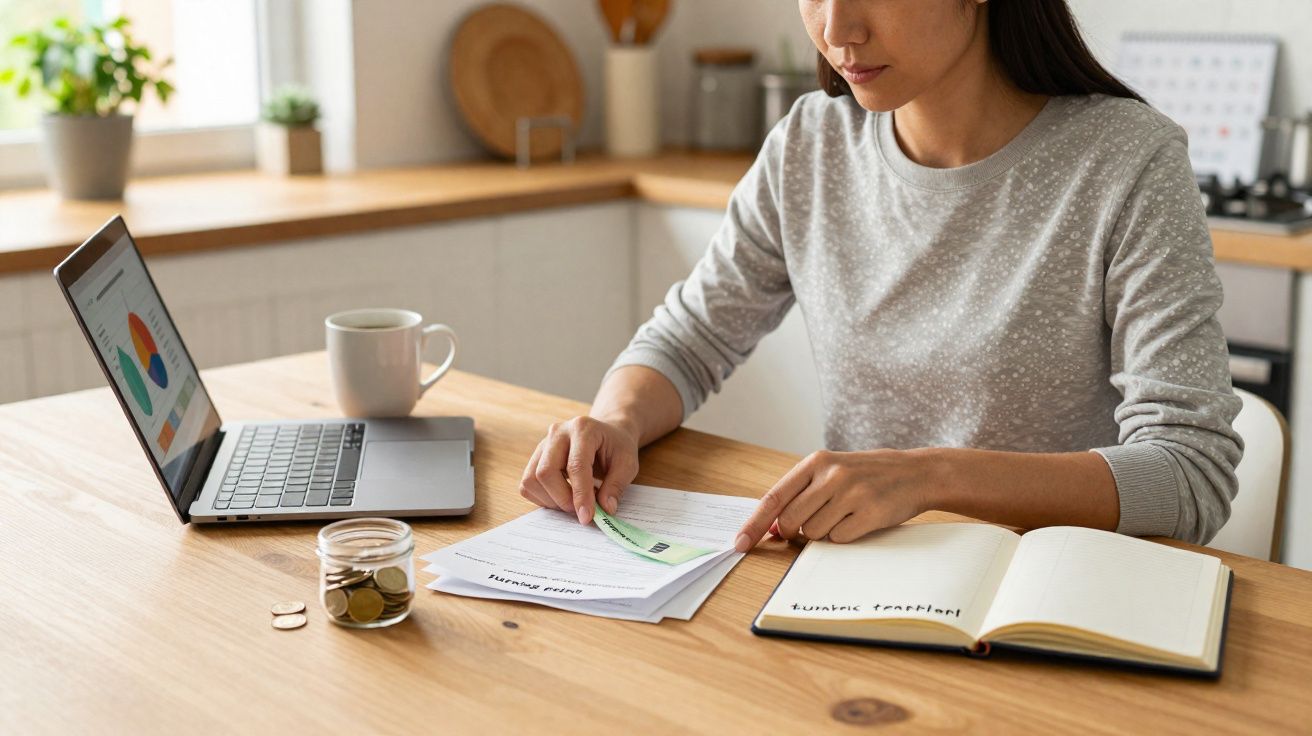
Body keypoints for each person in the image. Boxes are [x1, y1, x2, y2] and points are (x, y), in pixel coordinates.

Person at [518, 0, 1243, 552]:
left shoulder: (1128, 161)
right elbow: (689, 339)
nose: (837, 30)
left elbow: (1189, 472)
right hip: (862, 583)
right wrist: (616, 421)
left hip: (1051, 597)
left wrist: (930, 478)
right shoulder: (812, 144)